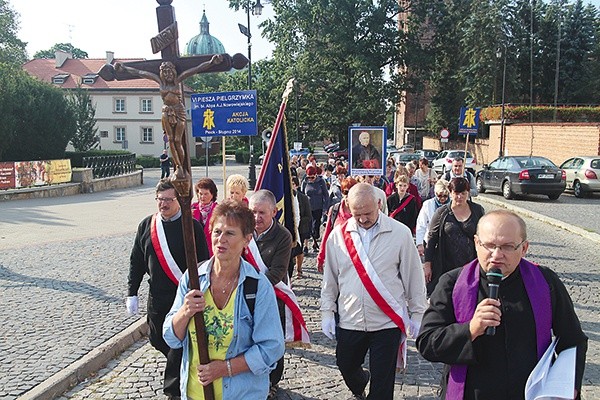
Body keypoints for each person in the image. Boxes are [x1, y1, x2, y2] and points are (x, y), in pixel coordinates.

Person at [416, 210, 588, 400]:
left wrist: (569, 386)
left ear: (524, 248)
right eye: (489, 245)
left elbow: (573, 339)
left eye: (507, 246)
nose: (496, 255)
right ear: (476, 243)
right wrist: (470, 329)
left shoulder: (546, 282)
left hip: (531, 394)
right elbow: (427, 343)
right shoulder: (452, 283)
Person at [162, 201, 285, 400]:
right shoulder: (193, 278)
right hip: (194, 394)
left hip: (243, 394)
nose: (221, 239)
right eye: (217, 232)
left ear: (246, 240)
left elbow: (271, 347)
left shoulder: (257, 287)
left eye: (230, 233)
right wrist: (185, 312)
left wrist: (225, 369)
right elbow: (170, 337)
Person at [320, 183, 428, 400]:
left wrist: (417, 314)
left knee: (382, 387)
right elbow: (330, 279)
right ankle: (360, 381)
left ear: (379, 204)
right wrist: (327, 312)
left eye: (367, 213)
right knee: (346, 365)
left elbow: (413, 277)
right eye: (356, 213)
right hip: (350, 319)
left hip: (386, 322)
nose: (361, 219)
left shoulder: (400, 233)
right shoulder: (338, 236)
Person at [127, 179, 209, 399]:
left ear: (179, 201)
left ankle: (174, 390)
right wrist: (131, 292)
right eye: (160, 200)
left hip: (183, 300)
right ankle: (180, 370)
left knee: (178, 344)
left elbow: (204, 263)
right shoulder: (147, 225)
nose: (163, 204)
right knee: (158, 339)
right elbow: (137, 261)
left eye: (168, 200)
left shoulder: (192, 227)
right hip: (157, 299)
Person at [114, 54, 223, 180]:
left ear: (173, 71)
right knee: (170, 139)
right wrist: (124, 68)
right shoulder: (159, 81)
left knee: (178, 139)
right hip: (166, 111)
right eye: (164, 72)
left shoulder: (178, 80)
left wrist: (211, 62)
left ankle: (181, 165)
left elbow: (196, 68)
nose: (167, 74)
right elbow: (140, 72)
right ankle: (178, 167)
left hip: (179, 111)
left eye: (169, 71)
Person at [248, 190, 293, 397]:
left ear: (274, 212)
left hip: (273, 296)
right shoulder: (244, 231)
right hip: (245, 297)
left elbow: (277, 273)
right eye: (253, 212)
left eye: (262, 213)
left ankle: (273, 380)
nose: (256, 218)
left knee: (273, 340)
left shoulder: (283, 236)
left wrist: (251, 289)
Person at [423, 177, 485, 295]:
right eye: (456, 193)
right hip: (446, 266)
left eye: (463, 193)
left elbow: (485, 236)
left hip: (471, 265)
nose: (460, 197)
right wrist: (427, 264)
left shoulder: (477, 211)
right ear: (450, 193)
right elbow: (431, 239)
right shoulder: (442, 213)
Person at [317, 176, 359, 273]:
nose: (348, 195)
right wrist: (321, 257)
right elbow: (327, 234)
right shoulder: (335, 209)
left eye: (351, 192)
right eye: (345, 192)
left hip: (357, 258)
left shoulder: (362, 211)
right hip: (338, 256)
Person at [415, 179, 450, 260]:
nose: (442, 199)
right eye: (439, 195)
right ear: (435, 193)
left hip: (447, 243)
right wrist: (419, 243)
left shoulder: (452, 205)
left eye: (445, 196)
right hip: (430, 242)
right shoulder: (428, 204)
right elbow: (421, 224)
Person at [301, 165, 329, 252]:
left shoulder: (321, 181)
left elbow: (326, 195)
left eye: (312, 177)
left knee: (315, 225)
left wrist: (325, 208)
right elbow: (301, 195)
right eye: (309, 177)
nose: (311, 179)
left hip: (318, 207)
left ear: (316, 175)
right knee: (306, 226)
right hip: (307, 207)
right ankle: (305, 246)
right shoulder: (305, 182)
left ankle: (314, 242)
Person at [290, 176, 312, 278]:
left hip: (300, 229)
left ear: (297, 185)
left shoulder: (303, 198)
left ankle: (299, 269)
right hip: (289, 229)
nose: (291, 187)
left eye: (293, 184)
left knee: (299, 250)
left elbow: (308, 215)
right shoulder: (286, 198)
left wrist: (298, 222)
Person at [191, 178, 218, 257]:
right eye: (200, 193)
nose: (202, 197)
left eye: (206, 194)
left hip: (212, 250)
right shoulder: (191, 209)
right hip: (195, 251)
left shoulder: (218, 210)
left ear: (212, 194)